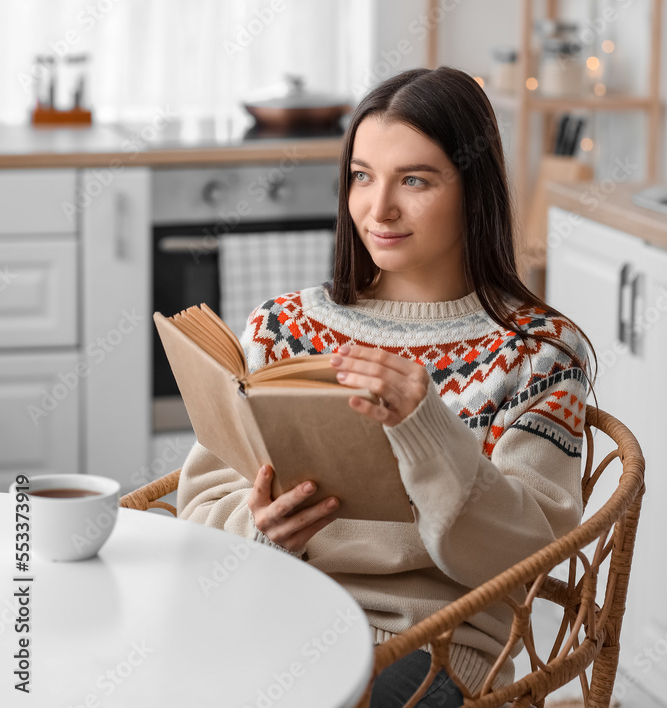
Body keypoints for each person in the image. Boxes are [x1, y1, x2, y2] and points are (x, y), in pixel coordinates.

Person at [177, 66, 596, 707]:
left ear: (473, 192)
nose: (379, 210)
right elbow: (201, 504)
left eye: (415, 181)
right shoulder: (284, 327)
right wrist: (262, 531)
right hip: (271, 616)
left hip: (431, 651)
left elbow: (527, 559)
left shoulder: (537, 352)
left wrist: (427, 426)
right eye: (362, 176)